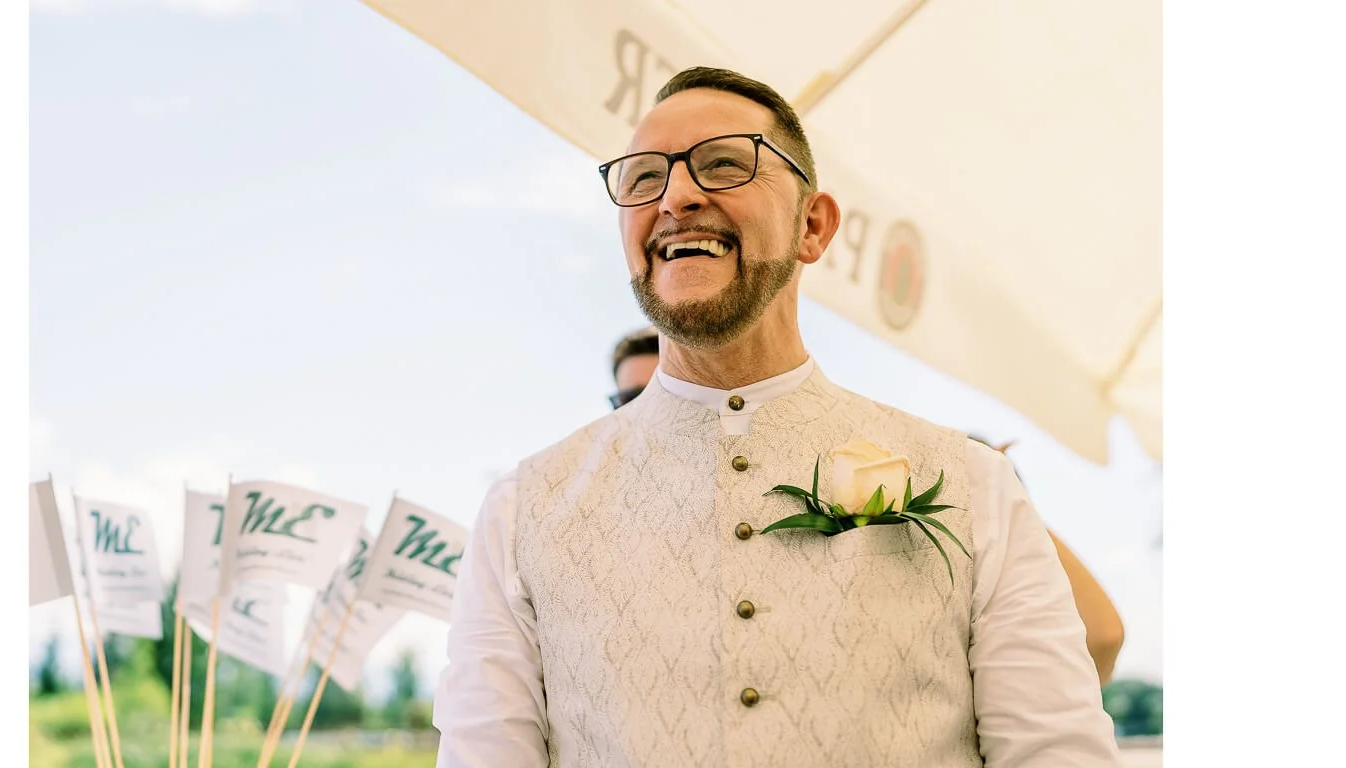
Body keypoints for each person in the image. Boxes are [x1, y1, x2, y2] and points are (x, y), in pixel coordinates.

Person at [434, 66, 1122, 766]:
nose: (675, 195)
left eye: (724, 164)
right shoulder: (522, 513)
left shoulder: (976, 488)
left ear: (813, 225)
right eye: (643, 178)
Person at [611, 329, 1127, 686]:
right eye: (628, 398)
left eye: (664, 391)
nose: (646, 411)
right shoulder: (594, 539)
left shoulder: (818, 482)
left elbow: (1100, 636)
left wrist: (995, 497)